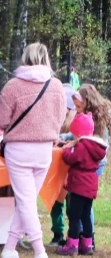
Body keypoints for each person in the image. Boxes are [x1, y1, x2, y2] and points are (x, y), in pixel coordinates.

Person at [0, 43, 66, 258]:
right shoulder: (56, 86)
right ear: (46, 58)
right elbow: (61, 118)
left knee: (25, 202)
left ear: (25, 57)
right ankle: (8, 249)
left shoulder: (13, 85)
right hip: (45, 149)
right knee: (27, 201)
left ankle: (39, 251)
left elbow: (1, 120)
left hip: (19, 150)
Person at [57, 112, 106, 256]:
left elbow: (71, 159)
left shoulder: (82, 146)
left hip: (79, 186)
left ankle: (72, 244)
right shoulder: (94, 146)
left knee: (74, 215)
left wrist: (65, 151)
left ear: (78, 133)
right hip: (90, 186)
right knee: (85, 214)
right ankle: (87, 244)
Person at [49, 84, 79, 247]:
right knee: (57, 202)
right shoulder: (56, 119)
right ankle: (58, 233)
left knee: (70, 204)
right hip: (57, 168)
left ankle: (73, 235)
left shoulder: (75, 122)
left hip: (71, 169)